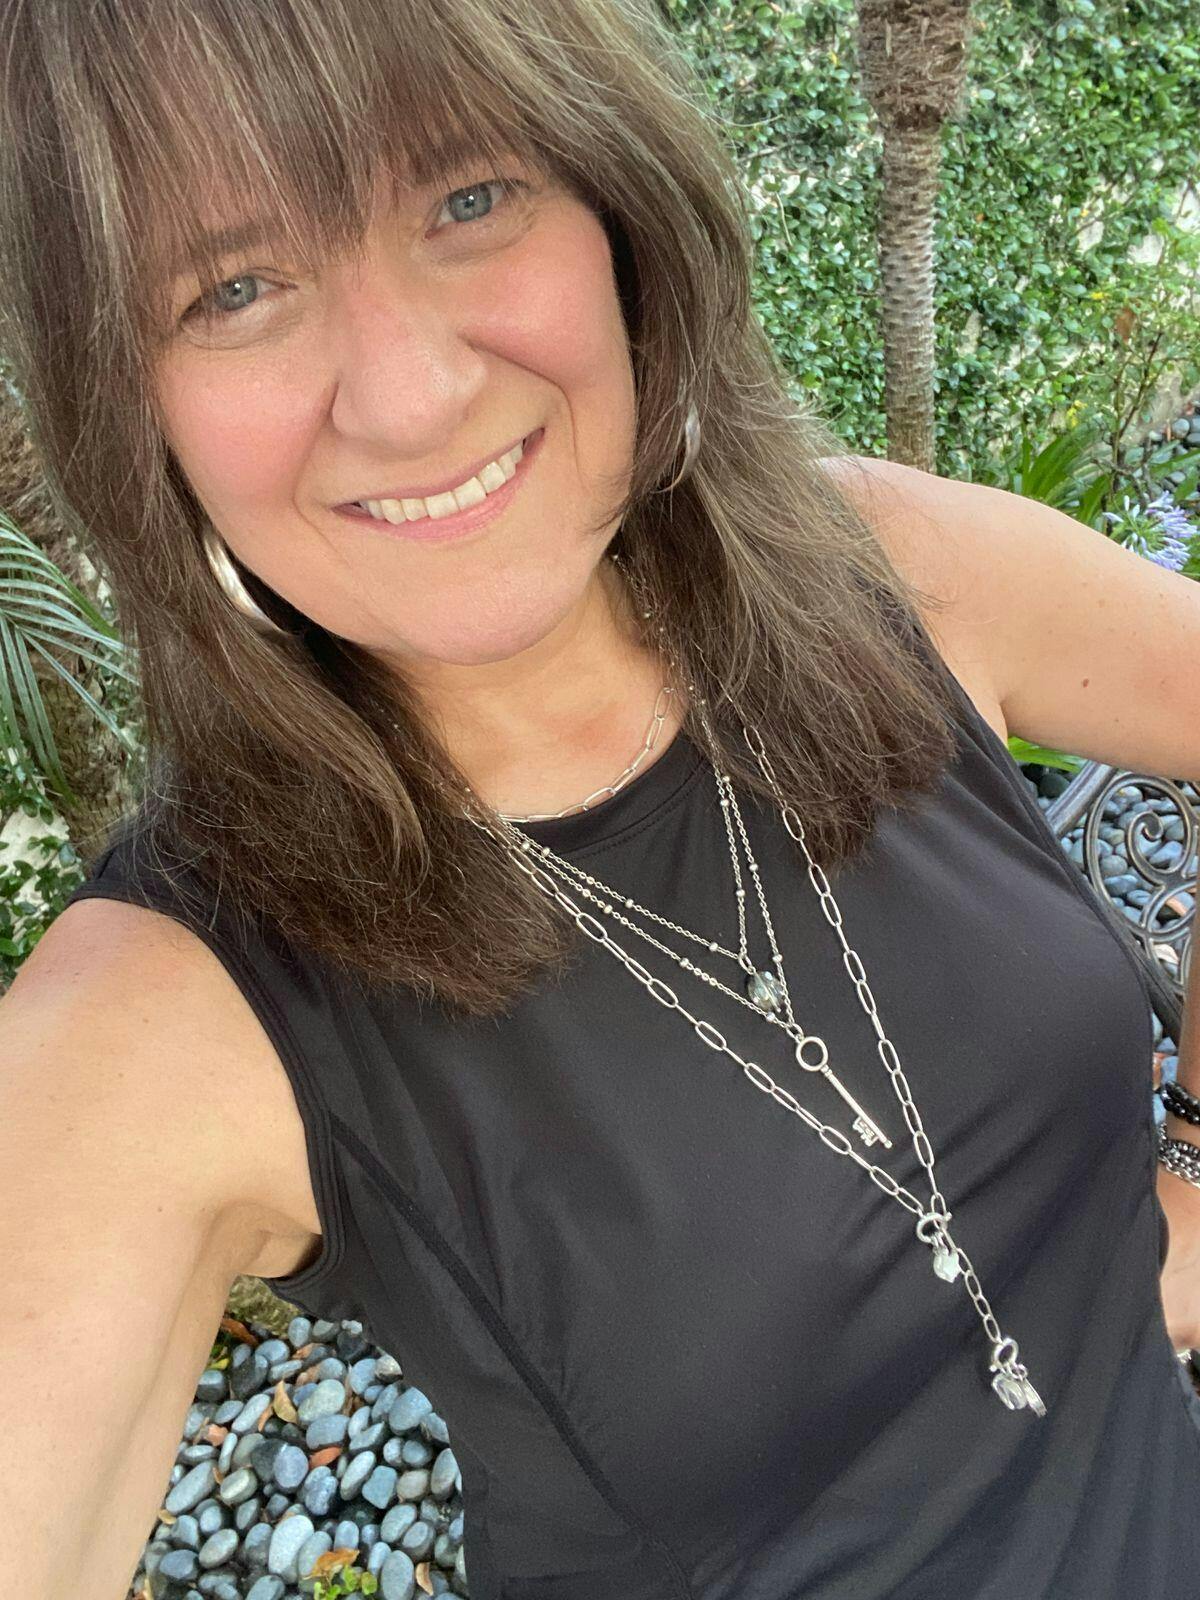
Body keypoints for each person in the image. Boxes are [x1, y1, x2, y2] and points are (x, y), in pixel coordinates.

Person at [1, 1, 1198, 1597]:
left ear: (619, 206)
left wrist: (1187, 1181)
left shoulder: (898, 571)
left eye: (468, 197)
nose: (410, 396)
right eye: (234, 290)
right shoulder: (164, 1010)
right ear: (125, 397)